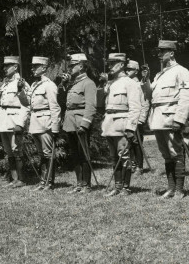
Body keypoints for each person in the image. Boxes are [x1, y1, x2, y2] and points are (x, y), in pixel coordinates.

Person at [148, 40, 189, 199]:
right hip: (158, 119)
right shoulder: (159, 74)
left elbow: (186, 97)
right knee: (166, 154)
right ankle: (171, 188)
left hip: (172, 118)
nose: (159, 55)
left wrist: (179, 119)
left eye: (163, 51)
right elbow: (151, 95)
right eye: (159, 52)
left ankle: (179, 190)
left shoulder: (182, 71)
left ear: (172, 53)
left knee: (176, 153)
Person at [101, 54, 142, 196]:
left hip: (122, 123)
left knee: (123, 156)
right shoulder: (111, 83)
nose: (110, 66)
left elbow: (135, 107)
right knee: (114, 157)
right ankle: (117, 187)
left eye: (113, 63)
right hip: (109, 123)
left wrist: (131, 127)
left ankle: (126, 187)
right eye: (109, 63)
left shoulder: (129, 83)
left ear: (121, 65)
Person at [0, 56, 29, 188]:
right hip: (4, 120)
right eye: (4, 66)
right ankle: (14, 179)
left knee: (17, 149)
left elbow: (27, 104)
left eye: (8, 66)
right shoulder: (5, 83)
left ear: (15, 67)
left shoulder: (21, 82)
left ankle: (21, 179)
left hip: (15, 119)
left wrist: (20, 123)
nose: (4, 68)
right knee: (9, 151)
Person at [63, 53, 97, 193]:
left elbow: (91, 106)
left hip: (81, 121)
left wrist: (85, 124)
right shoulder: (73, 83)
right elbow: (64, 103)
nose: (70, 68)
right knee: (75, 154)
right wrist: (63, 85)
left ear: (81, 66)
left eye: (73, 65)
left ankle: (86, 185)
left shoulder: (88, 83)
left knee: (84, 153)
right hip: (70, 121)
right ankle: (79, 183)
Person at [27, 56, 61, 190]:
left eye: (36, 66)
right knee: (41, 154)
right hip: (35, 122)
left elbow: (55, 107)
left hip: (46, 122)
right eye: (33, 66)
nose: (33, 69)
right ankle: (43, 181)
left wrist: (55, 127)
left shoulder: (49, 85)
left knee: (48, 154)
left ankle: (49, 182)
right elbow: (29, 104)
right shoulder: (34, 85)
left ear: (44, 68)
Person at [125, 59, 150, 175]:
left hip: (137, 118)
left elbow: (145, 102)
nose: (127, 71)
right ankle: (132, 164)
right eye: (126, 69)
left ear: (136, 71)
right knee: (128, 142)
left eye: (130, 69)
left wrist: (141, 119)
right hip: (127, 117)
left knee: (137, 142)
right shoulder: (125, 83)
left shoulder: (139, 85)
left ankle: (139, 166)